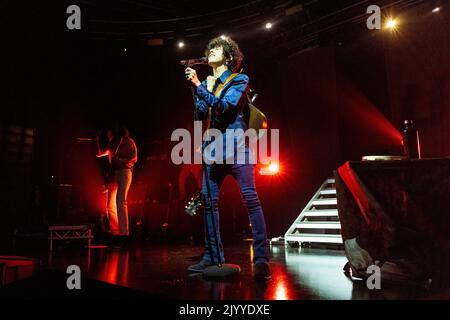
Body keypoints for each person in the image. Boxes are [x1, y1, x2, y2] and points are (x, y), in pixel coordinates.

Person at [184, 36, 271, 279]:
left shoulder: (239, 79)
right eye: (209, 48)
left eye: (216, 48)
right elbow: (202, 115)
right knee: (210, 205)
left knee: (250, 200)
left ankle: (262, 260)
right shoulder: (208, 82)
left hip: (236, 148)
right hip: (212, 150)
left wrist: (199, 86)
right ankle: (212, 257)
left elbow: (226, 108)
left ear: (229, 55)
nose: (211, 50)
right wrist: (199, 88)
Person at [96, 125, 137, 245]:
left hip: (124, 171)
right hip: (115, 174)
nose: (107, 134)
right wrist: (97, 139)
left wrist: (123, 161)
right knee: (110, 205)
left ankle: (124, 234)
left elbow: (134, 158)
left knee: (120, 201)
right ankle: (116, 232)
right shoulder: (112, 143)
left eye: (109, 131)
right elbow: (98, 153)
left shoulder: (128, 141)